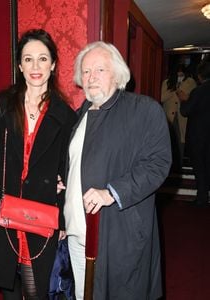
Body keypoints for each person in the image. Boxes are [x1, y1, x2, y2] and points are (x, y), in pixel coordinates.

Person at [0, 29, 76, 300]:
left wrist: (61, 219)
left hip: (40, 215)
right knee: (8, 286)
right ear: (19, 65)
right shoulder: (2, 106)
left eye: (42, 59)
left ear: (53, 64)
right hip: (2, 209)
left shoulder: (66, 116)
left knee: (37, 289)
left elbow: (68, 172)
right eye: (28, 59)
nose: (35, 67)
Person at [64, 41, 172, 299]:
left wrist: (110, 193)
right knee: (83, 295)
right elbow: (79, 162)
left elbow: (158, 163)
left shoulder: (144, 110)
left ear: (117, 73)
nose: (91, 78)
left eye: (99, 70)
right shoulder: (81, 114)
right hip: (78, 233)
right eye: (86, 72)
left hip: (117, 236)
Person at [179, 60, 210, 206]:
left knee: (199, 167)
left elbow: (185, 111)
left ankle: (202, 198)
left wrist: (184, 100)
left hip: (199, 136)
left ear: (199, 76)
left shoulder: (198, 91)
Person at [161, 64, 196, 171]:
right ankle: (168, 166)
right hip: (169, 117)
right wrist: (173, 89)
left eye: (182, 73)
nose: (180, 74)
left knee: (181, 142)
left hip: (183, 117)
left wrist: (180, 88)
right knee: (169, 141)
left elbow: (190, 98)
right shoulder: (167, 82)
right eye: (178, 72)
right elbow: (162, 98)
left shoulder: (190, 82)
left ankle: (179, 166)